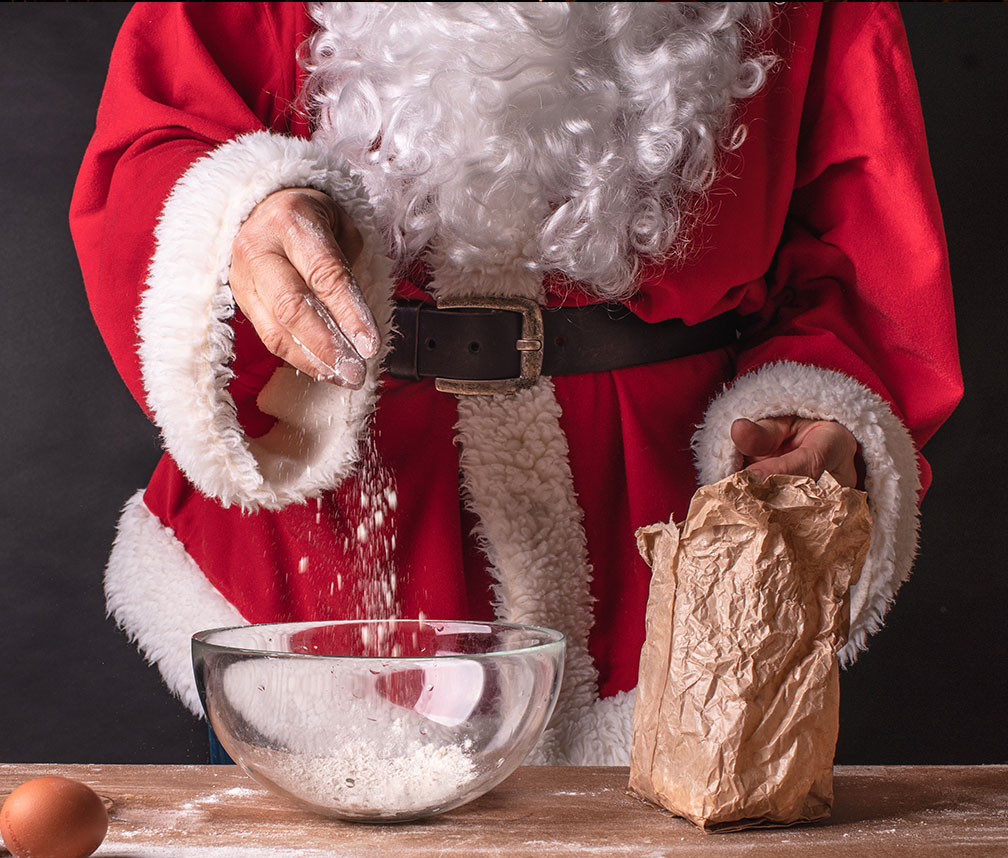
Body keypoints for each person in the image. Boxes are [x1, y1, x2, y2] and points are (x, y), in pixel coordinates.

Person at [69, 2, 962, 765]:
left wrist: (816, 414)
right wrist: (245, 217)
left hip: (679, 554)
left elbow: (864, 262)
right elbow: (153, 143)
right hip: (331, 572)